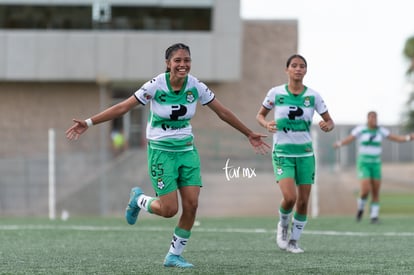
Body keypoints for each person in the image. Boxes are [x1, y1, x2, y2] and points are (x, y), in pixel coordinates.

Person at [66, 43, 270, 268]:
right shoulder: (155, 86)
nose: (183, 65)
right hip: (161, 153)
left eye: (187, 60)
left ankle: (174, 255)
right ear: (168, 64)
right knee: (169, 210)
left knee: (191, 205)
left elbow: (223, 112)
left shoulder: (196, 86)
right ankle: (139, 200)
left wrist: (249, 133)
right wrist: (88, 122)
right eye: (178, 61)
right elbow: (123, 107)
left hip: (187, 152)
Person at [256, 54, 334, 253]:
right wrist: (266, 124)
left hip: (306, 154)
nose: (298, 69)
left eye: (302, 66)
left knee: (303, 200)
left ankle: (294, 241)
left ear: (305, 71)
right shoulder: (275, 93)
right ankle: (283, 226)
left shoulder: (313, 96)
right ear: (287, 70)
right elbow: (260, 115)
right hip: (282, 153)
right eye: (294, 66)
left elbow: (329, 121)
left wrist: (327, 125)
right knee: (290, 197)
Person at [333, 111, 414, 224]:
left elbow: (396, 138)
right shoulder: (361, 129)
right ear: (368, 119)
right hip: (364, 163)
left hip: (376, 163)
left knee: (375, 191)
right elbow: (350, 139)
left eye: (375, 118)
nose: (374, 120)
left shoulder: (381, 130)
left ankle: (374, 216)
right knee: (365, 190)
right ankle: (361, 208)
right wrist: (339, 143)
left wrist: (408, 137)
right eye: (372, 117)